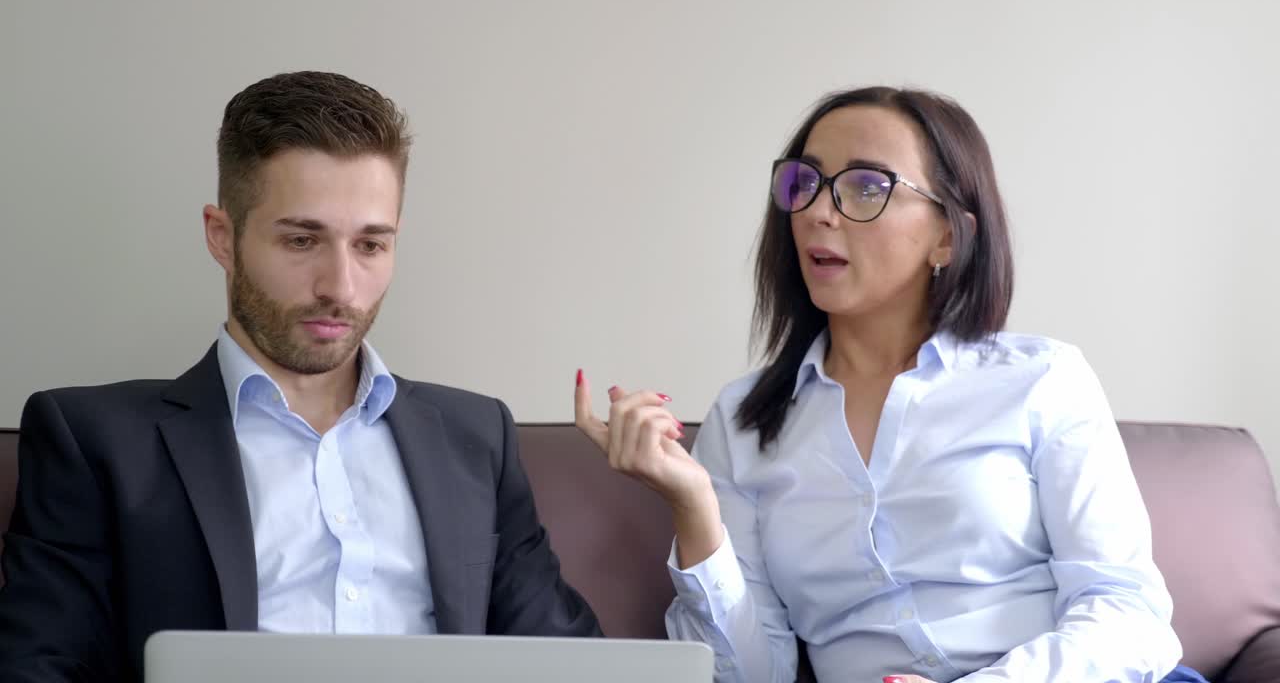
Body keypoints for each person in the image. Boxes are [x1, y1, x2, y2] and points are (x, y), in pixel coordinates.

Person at [0, 71, 600, 683]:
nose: (340, 287)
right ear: (222, 237)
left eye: (370, 246)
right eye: (302, 240)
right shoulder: (94, 440)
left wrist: (666, 497)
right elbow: (40, 666)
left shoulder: (477, 436)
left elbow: (575, 664)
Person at [575, 86, 1189, 682]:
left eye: (867, 187)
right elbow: (751, 675)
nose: (818, 212)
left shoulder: (1043, 380)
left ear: (946, 237)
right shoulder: (742, 421)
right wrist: (692, 504)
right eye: (805, 183)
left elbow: (1127, 613)